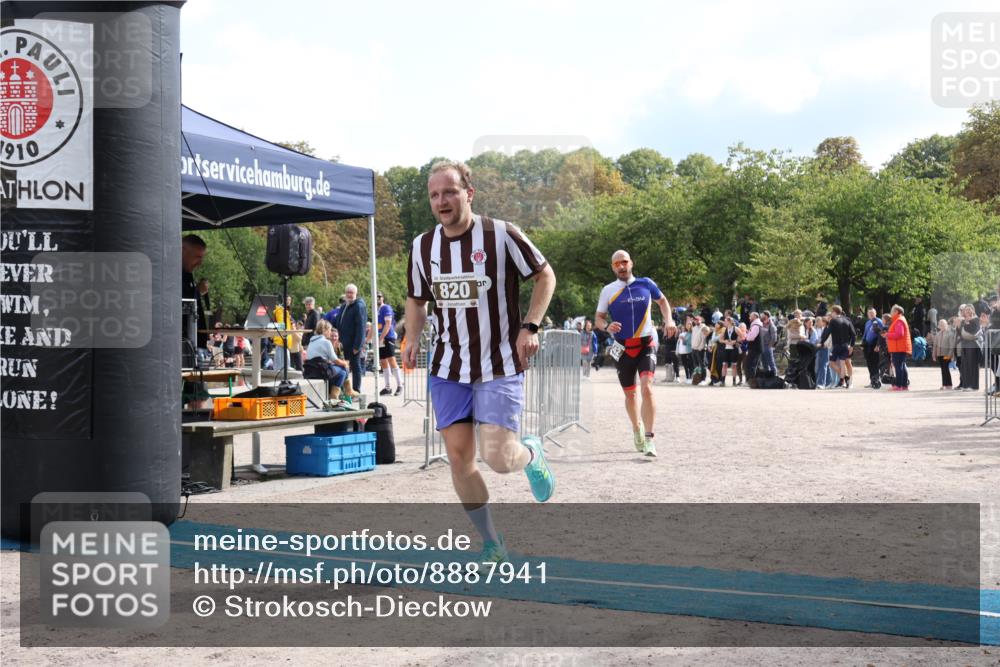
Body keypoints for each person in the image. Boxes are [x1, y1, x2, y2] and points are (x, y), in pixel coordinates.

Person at [403, 159, 557, 566]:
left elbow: (545, 276)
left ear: (468, 193)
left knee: (499, 459)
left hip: (499, 363)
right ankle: (492, 542)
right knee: (458, 457)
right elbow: (416, 300)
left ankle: (530, 453)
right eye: (435, 195)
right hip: (448, 367)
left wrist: (531, 325)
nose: (442, 201)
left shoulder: (502, 234)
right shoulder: (423, 247)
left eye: (450, 192)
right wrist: (411, 336)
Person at [595, 249, 674, 456]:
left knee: (647, 388)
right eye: (617, 264)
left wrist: (670, 320)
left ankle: (649, 438)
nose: (621, 266)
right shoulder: (608, 290)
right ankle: (636, 427)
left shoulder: (646, 284)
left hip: (646, 344)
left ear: (631, 263)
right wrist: (606, 326)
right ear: (613, 267)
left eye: (624, 262)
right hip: (623, 348)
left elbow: (663, 302)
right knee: (630, 395)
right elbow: (599, 318)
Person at [303, 319, 350, 401]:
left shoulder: (311, 342)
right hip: (322, 371)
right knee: (344, 369)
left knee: (342, 373)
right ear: (325, 330)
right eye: (329, 330)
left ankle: (336, 395)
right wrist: (345, 363)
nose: (330, 332)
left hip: (310, 371)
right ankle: (342, 393)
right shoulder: (326, 342)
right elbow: (335, 360)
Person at [336, 283, 367, 393]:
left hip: (353, 343)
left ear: (356, 293)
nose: (349, 295)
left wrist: (357, 345)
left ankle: (356, 389)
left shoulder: (359, 306)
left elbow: (361, 327)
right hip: (343, 343)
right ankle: (346, 389)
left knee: (355, 366)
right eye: (347, 292)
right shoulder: (344, 306)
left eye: (351, 293)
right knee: (344, 366)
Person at [820, 305, 857, 389]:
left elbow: (828, 332)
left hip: (840, 346)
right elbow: (854, 335)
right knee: (843, 363)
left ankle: (848, 380)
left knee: (845, 363)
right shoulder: (847, 320)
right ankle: (845, 379)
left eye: (832, 312)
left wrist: (821, 342)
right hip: (845, 345)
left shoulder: (835, 320)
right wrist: (851, 345)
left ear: (834, 312)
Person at [376, 292, 403, 396]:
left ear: (383, 298)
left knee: (391, 360)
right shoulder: (376, 309)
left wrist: (381, 338)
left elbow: (387, 325)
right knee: (383, 362)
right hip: (380, 337)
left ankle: (400, 385)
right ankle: (387, 387)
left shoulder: (386, 308)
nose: (377, 298)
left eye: (379, 296)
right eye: (376, 296)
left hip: (388, 337)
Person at [885, 305, 912, 391]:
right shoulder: (899, 319)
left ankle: (898, 385)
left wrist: (887, 335)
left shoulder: (899, 321)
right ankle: (903, 385)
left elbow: (900, 334)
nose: (890, 313)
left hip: (899, 347)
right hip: (900, 347)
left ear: (896, 311)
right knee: (902, 366)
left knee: (898, 366)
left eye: (892, 311)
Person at [861, 307, 884, 389]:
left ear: (875, 313)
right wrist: (862, 344)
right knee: (869, 364)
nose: (871, 314)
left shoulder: (879, 321)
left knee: (875, 363)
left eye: (872, 313)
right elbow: (865, 334)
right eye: (869, 313)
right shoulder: (867, 322)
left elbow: (881, 335)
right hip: (867, 345)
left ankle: (876, 380)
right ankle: (872, 381)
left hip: (875, 345)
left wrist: (878, 345)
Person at [930, 318, 955, 390]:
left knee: (946, 368)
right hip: (939, 355)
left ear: (946, 325)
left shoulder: (950, 334)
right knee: (943, 369)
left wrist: (949, 355)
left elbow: (951, 346)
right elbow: (935, 345)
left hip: (946, 355)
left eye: (943, 324)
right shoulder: (938, 334)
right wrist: (933, 355)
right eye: (940, 324)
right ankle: (944, 384)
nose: (942, 325)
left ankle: (949, 384)